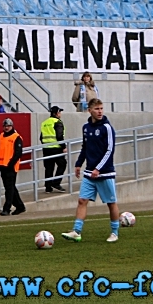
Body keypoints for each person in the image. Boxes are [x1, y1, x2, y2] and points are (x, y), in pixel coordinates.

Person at [62, 99, 120, 243]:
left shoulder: (107, 127)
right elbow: (85, 147)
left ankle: (114, 232)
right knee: (82, 200)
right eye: (97, 109)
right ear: (90, 110)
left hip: (105, 173)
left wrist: (98, 168)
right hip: (89, 173)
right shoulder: (86, 127)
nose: (100, 111)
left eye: (101, 108)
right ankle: (77, 231)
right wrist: (78, 163)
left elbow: (110, 150)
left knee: (111, 203)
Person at [0, 118, 25, 216]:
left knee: (9, 188)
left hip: (11, 166)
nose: (6, 128)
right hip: (2, 165)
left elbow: (18, 153)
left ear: (12, 126)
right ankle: (20, 206)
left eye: (8, 126)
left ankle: (6, 208)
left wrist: (10, 164)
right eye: (4, 126)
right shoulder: (1, 136)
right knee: (10, 187)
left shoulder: (16, 137)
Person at [41, 106, 67, 193]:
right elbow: (59, 136)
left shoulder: (44, 123)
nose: (60, 114)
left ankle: (48, 187)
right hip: (56, 148)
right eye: (59, 112)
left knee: (49, 168)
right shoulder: (57, 122)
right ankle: (56, 182)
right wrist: (63, 147)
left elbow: (41, 137)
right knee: (62, 164)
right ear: (56, 113)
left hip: (46, 149)